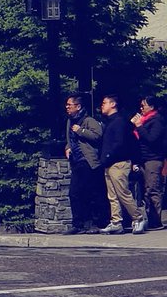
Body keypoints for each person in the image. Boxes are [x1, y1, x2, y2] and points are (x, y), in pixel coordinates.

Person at [99, 93, 146, 234]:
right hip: (109, 163)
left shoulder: (119, 122)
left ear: (113, 104)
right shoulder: (111, 122)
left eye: (104, 103)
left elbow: (119, 144)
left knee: (123, 193)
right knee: (112, 195)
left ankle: (138, 218)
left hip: (118, 163)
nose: (102, 106)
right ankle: (116, 222)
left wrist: (108, 156)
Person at [64, 94, 104, 234]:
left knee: (91, 193)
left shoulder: (88, 120)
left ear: (78, 106)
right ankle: (78, 224)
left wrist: (80, 131)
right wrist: (68, 148)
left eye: (70, 105)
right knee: (74, 193)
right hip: (76, 161)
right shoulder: (69, 121)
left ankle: (93, 223)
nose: (67, 107)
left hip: (88, 161)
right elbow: (69, 140)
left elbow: (97, 135)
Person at [131, 95, 167, 229]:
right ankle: (150, 218)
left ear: (151, 107)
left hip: (153, 158)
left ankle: (156, 221)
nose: (141, 108)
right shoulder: (146, 120)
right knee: (145, 190)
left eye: (143, 106)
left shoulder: (157, 121)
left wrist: (139, 126)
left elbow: (151, 139)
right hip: (144, 159)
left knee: (152, 189)